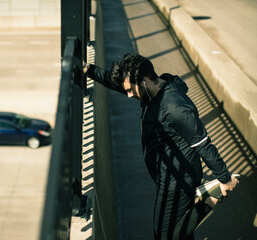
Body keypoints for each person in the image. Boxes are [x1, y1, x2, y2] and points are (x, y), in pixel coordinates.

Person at [83, 54, 239, 240]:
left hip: (178, 181)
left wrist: (224, 178)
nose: (129, 95)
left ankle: (210, 198)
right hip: (167, 173)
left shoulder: (175, 108)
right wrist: (88, 70)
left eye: (131, 90)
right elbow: (117, 84)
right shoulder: (152, 89)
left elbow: (202, 143)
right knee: (180, 234)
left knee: (163, 236)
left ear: (143, 81)